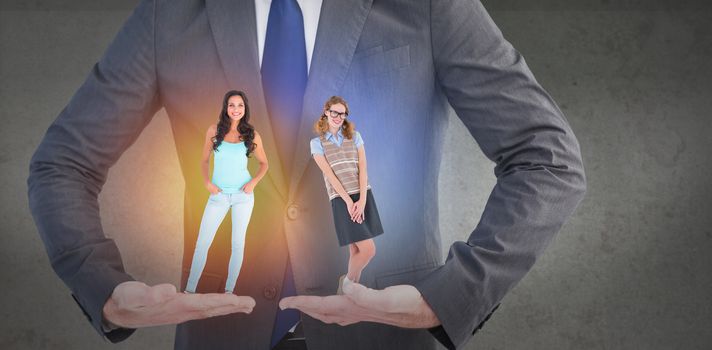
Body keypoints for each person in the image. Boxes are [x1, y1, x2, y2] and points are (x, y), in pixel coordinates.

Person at [27, 0, 586, 349]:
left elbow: (547, 159)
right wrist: (103, 286)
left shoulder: (428, 6)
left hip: (380, 339)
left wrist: (449, 297)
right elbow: (61, 164)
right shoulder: (169, 14)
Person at [185, 90, 268, 294]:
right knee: (202, 243)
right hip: (218, 195)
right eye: (232, 105)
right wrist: (206, 182)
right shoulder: (214, 131)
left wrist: (253, 183)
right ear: (225, 107)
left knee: (238, 244)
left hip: (243, 196)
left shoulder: (252, 134)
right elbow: (204, 161)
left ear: (245, 108)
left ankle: (229, 292)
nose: (236, 109)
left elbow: (264, 164)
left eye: (240, 105)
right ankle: (189, 291)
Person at [309, 96, 383, 294]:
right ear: (326, 111)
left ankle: (351, 294)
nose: (338, 117)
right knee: (368, 250)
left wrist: (362, 200)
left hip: (363, 195)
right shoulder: (317, 143)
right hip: (341, 199)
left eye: (342, 114)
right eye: (334, 112)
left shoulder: (355, 136)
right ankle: (348, 284)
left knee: (357, 250)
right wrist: (350, 202)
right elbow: (330, 175)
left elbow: (364, 169)